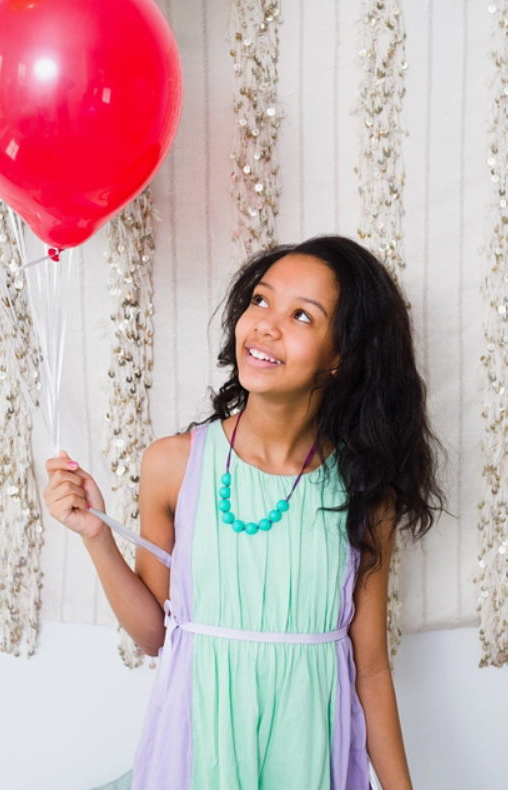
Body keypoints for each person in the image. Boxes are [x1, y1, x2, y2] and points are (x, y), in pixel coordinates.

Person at [44, 235, 446, 790]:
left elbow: (370, 668)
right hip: (199, 754)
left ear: (341, 357)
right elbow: (155, 636)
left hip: (305, 756)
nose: (266, 325)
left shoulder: (364, 488)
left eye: (302, 315)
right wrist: (95, 535)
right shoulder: (173, 463)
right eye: (260, 300)